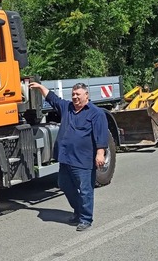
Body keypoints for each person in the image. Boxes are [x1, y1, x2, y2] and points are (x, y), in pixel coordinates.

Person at [28, 81, 108, 231]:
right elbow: (53, 99)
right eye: (73, 94)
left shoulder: (96, 113)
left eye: (78, 94)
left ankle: (85, 218)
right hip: (66, 158)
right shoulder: (67, 107)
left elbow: (101, 135)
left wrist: (100, 153)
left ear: (86, 95)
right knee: (64, 184)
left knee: (85, 190)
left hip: (83, 159)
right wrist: (40, 88)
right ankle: (78, 211)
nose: (75, 97)